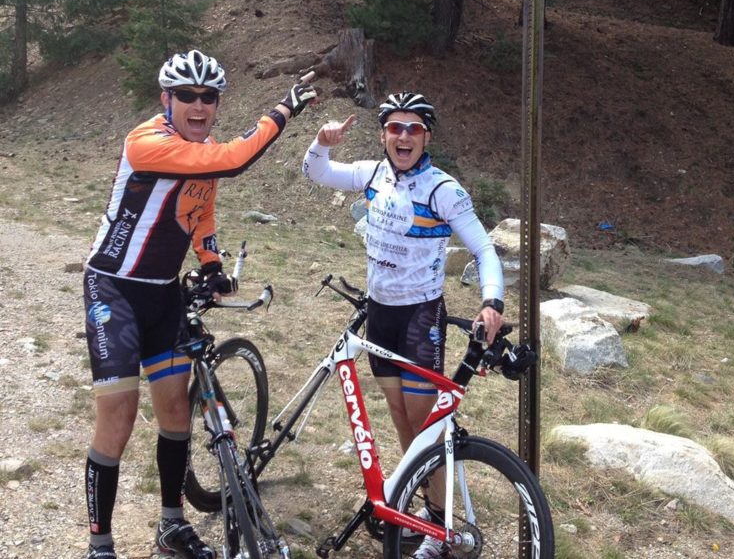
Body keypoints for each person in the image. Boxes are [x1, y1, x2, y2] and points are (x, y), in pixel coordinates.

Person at [82, 50, 316, 559]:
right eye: (186, 95)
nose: (197, 105)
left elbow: (202, 208)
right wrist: (282, 111)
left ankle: (171, 525)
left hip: (163, 290)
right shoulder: (146, 142)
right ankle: (99, 545)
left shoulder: (201, 148)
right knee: (118, 421)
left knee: (174, 414)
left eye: (207, 97)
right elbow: (232, 161)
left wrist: (210, 263)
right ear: (165, 99)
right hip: (115, 290)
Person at [302, 91, 504, 559]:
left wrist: (491, 301)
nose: (404, 136)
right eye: (396, 127)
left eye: (414, 128)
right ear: (384, 135)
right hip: (380, 313)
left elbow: (485, 250)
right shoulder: (373, 175)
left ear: (427, 135)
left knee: (424, 426)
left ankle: (438, 531)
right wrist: (321, 142)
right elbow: (317, 172)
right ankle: (419, 507)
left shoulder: (443, 189)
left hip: (419, 317)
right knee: (400, 419)